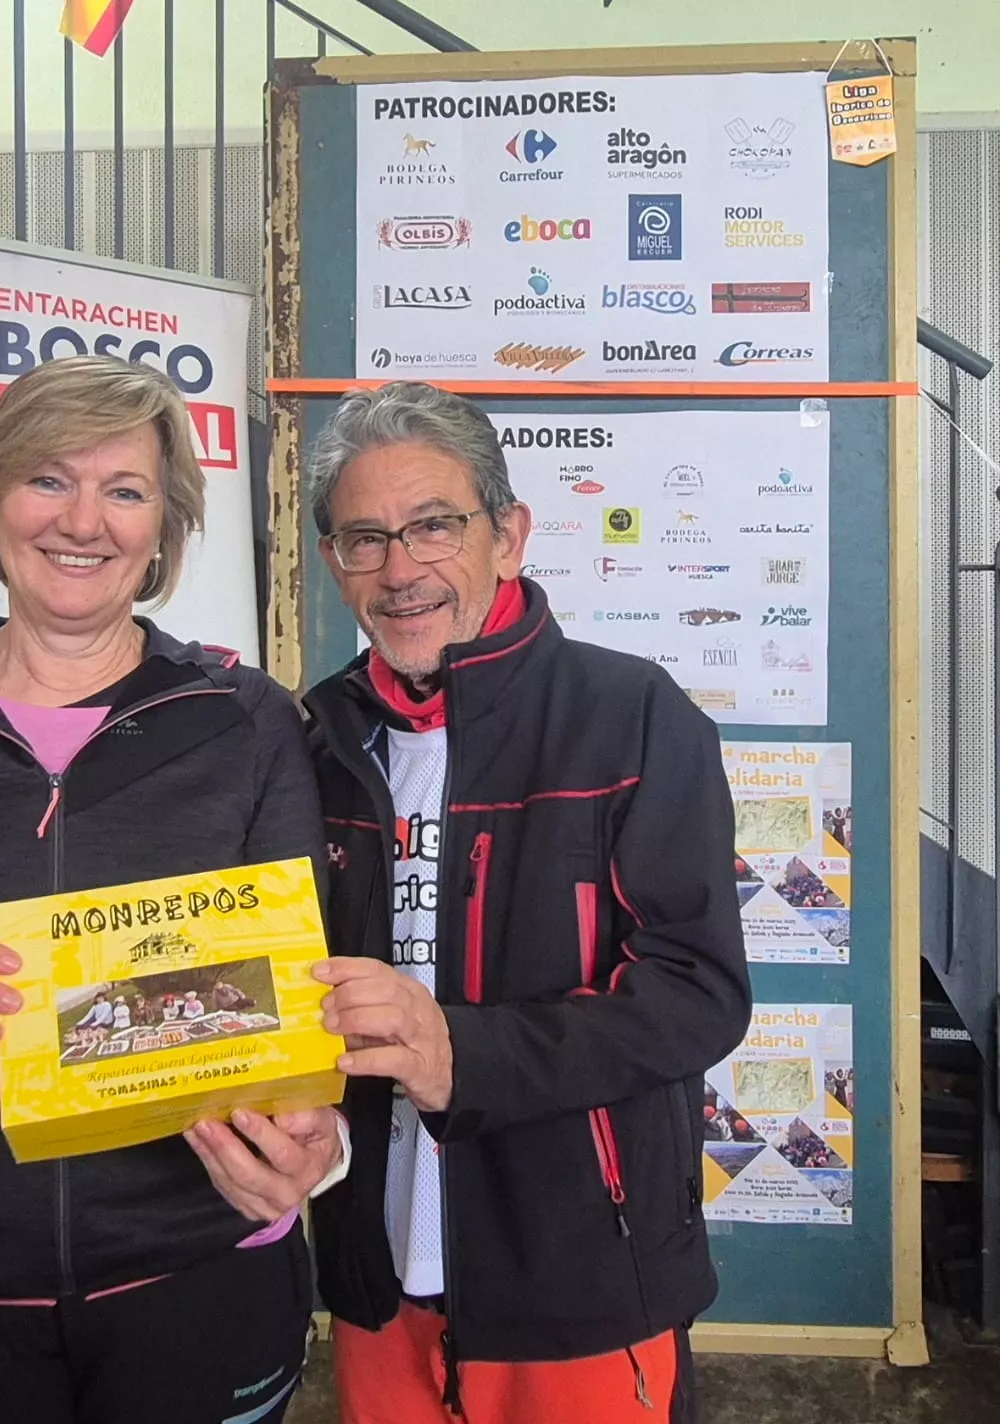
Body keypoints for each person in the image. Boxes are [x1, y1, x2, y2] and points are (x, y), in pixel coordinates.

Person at [0, 355, 349, 1424]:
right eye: (48, 478)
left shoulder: (245, 720)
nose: (83, 521)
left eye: (125, 490)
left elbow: (301, 989)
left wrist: (312, 1133)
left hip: (199, 1263)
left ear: (164, 528)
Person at [297, 382, 751, 1423]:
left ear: (506, 537)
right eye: (364, 539)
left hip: (580, 1276)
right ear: (333, 561)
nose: (400, 570)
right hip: (374, 1275)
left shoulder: (631, 715)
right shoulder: (311, 742)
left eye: (433, 526)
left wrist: (461, 1055)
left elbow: (697, 994)